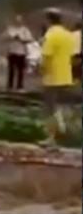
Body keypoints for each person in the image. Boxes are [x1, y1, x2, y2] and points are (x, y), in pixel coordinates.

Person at [40, 9, 76, 139]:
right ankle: (66, 130)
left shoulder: (50, 35)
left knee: (50, 108)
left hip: (52, 76)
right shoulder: (68, 35)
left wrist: (41, 70)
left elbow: (46, 56)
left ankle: (52, 137)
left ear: (49, 20)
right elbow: (72, 56)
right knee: (61, 106)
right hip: (66, 75)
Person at [4, 14, 33, 91]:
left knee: (20, 70)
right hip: (11, 52)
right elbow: (3, 38)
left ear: (22, 21)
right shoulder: (10, 29)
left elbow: (30, 39)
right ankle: (9, 86)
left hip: (21, 52)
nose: (18, 22)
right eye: (16, 20)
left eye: (19, 20)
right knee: (11, 70)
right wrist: (10, 37)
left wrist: (21, 39)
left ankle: (20, 86)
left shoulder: (25, 30)